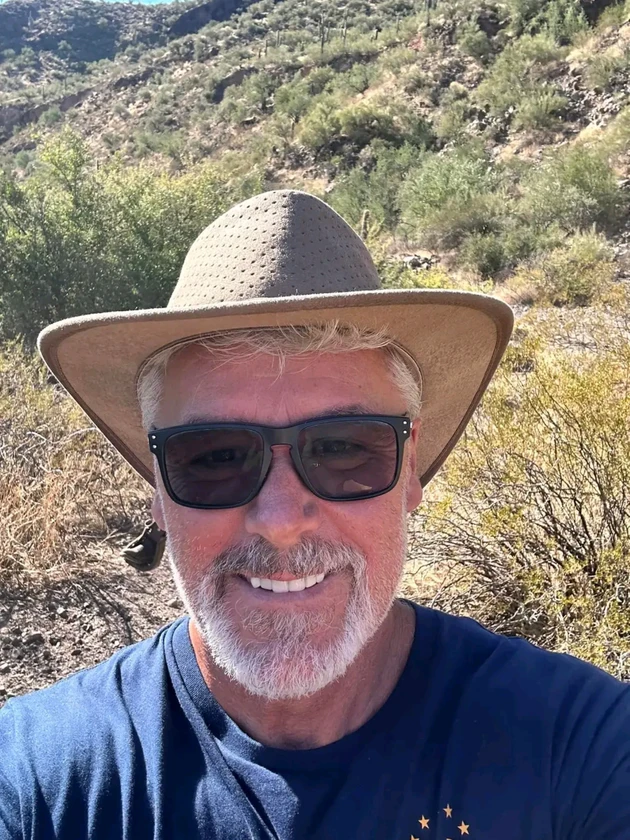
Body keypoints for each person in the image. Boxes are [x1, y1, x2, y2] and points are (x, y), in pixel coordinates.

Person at [0, 190, 628, 840]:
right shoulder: (40, 779)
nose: (279, 521)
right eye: (214, 457)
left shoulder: (577, 748)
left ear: (410, 466)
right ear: (158, 488)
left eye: (342, 449)